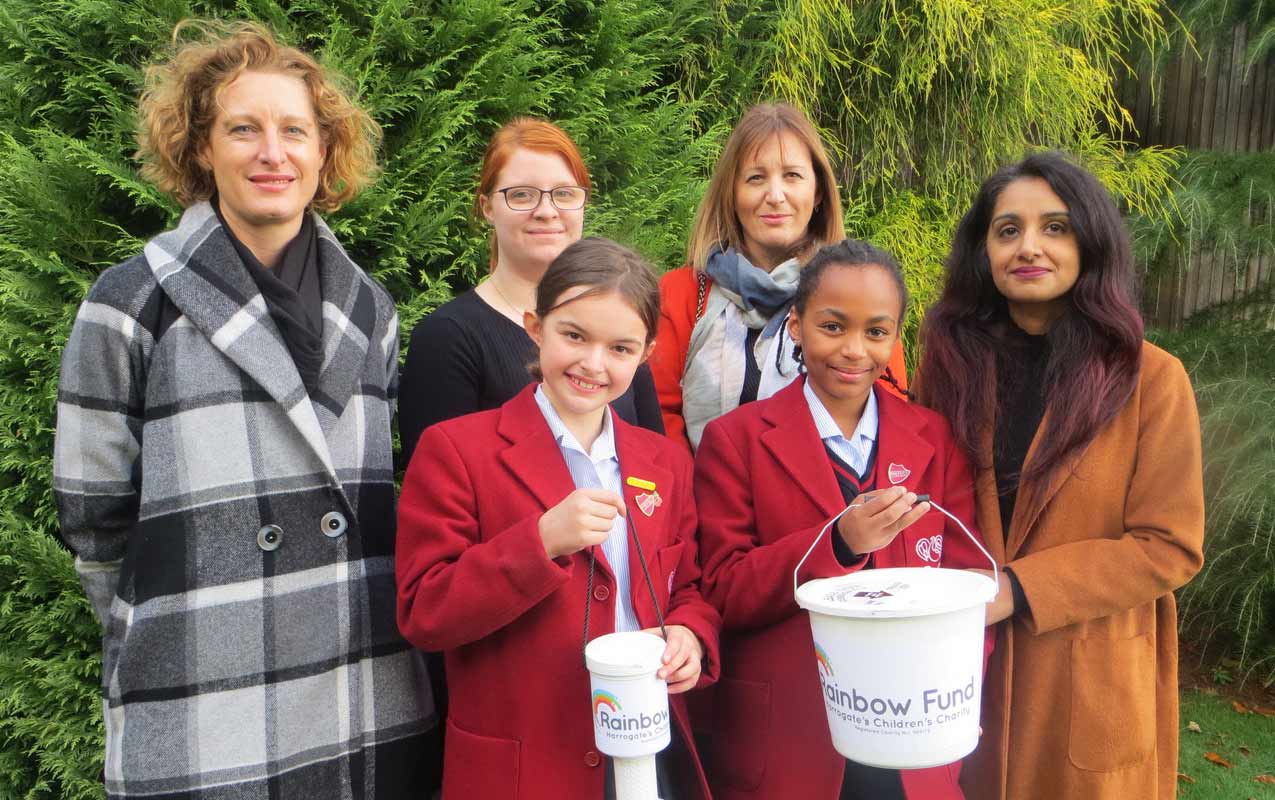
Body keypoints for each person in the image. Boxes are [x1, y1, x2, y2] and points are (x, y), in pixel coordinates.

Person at [52, 21, 435, 799]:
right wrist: (173, 620)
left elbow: (382, 480)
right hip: (205, 682)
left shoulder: (371, 311)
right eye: (243, 129)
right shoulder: (130, 303)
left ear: (324, 150)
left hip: (359, 678)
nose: (272, 152)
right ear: (200, 148)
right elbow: (93, 515)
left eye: (294, 130)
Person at [916, 152, 1205, 800]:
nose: (1029, 246)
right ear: (982, 250)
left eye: (1054, 227)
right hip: (963, 677)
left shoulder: (1151, 380)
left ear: (1089, 242)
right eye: (1007, 229)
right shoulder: (947, 369)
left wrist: (1016, 588)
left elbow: (1169, 546)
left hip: (1088, 685)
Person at [396, 237, 720, 800]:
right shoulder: (457, 450)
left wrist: (690, 634)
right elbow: (424, 611)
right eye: (574, 335)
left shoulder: (664, 461)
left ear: (645, 356)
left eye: (620, 348)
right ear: (534, 327)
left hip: (644, 752)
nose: (593, 363)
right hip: (526, 764)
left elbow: (688, 585)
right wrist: (539, 542)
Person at [694, 239, 992, 799]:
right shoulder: (736, 440)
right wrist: (837, 544)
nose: (854, 350)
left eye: (876, 332)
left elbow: (967, 586)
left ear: (894, 338)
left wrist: (960, 690)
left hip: (915, 729)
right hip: (792, 734)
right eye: (833, 326)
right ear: (797, 326)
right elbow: (723, 589)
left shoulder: (936, 440)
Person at [398, 117, 663, 467]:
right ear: (488, 207)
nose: (546, 211)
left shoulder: (615, 327)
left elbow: (654, 465)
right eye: (521, 195)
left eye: (564, 194)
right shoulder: (447, 337)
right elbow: (436, 488)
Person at [650, 103, 908, 452]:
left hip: (828, 503)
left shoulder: (857, 297)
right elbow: (658, 418)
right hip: (701, 501)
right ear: (732, 193)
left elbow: (886, 415)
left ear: (817, 192)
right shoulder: (682, 294)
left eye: (792, 176)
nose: (775, 196)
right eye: (756, 178)